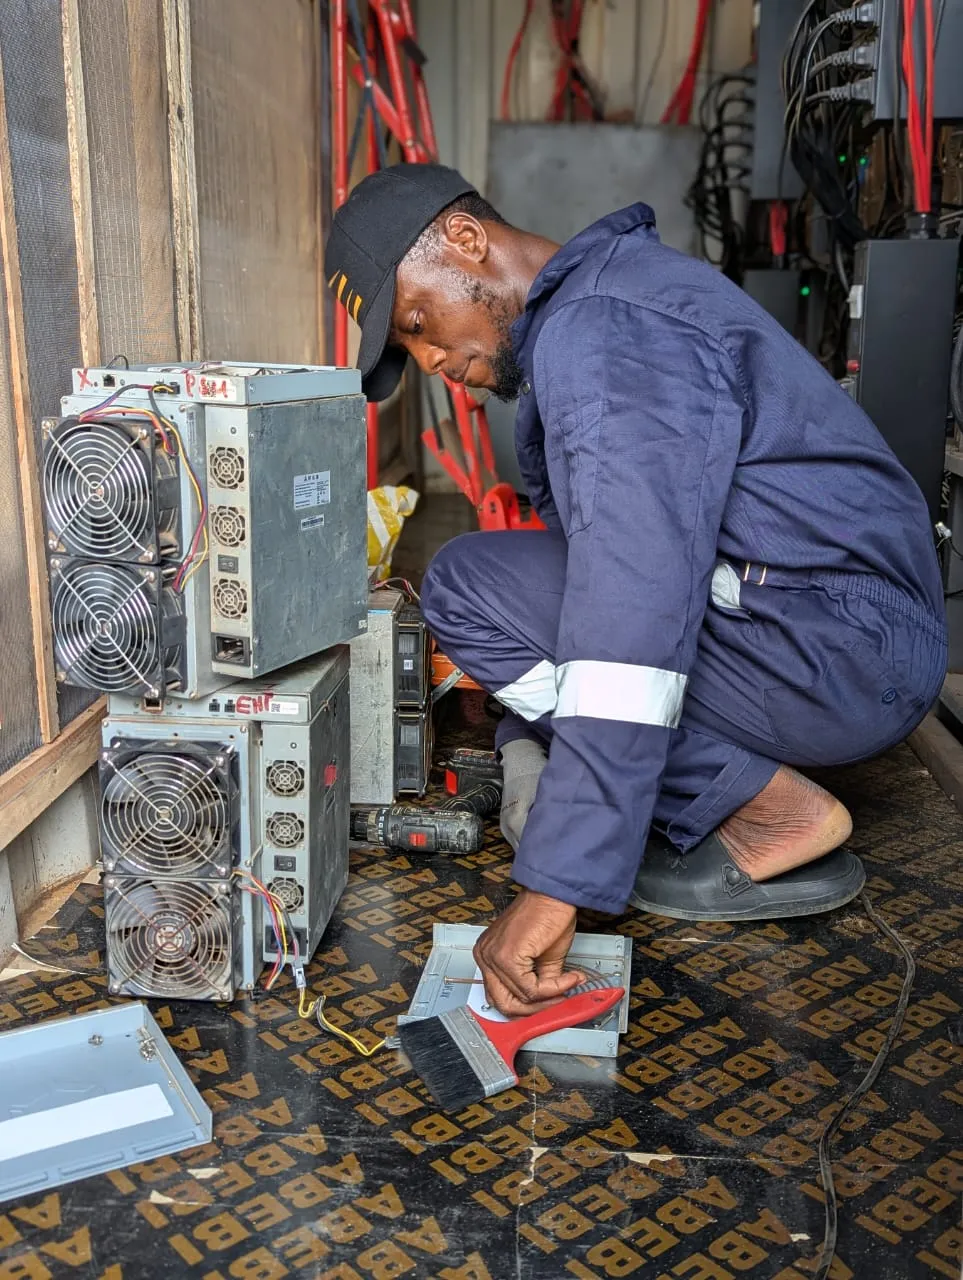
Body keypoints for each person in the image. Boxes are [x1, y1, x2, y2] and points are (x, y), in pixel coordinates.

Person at [324, 163, 946, 1017]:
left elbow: (633, 606)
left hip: (837, 651)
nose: (432, 360)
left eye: (420, 323)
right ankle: (704, 779)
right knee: (472, 578)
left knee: (502, 596)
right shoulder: (605, 306)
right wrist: (525, 736)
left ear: (464, 241)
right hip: (816, 625)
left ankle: (766, 809)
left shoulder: (602, 333)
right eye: (411, 351)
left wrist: (557, 881)